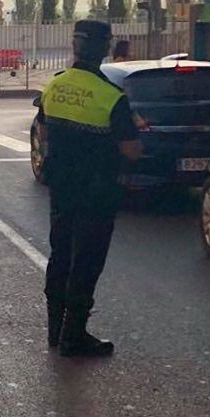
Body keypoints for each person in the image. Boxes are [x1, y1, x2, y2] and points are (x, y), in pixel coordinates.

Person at [37, 20, 142, 358]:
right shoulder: (111, 97)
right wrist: (136, 128)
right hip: (97, 193)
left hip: (61, 189)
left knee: (61, 254)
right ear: (105, 49)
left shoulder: (54, 86)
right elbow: (130, 150)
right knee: (87, 261)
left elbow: (45, 128)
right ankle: (74, 335)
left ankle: (55, 330)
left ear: (74, 46)